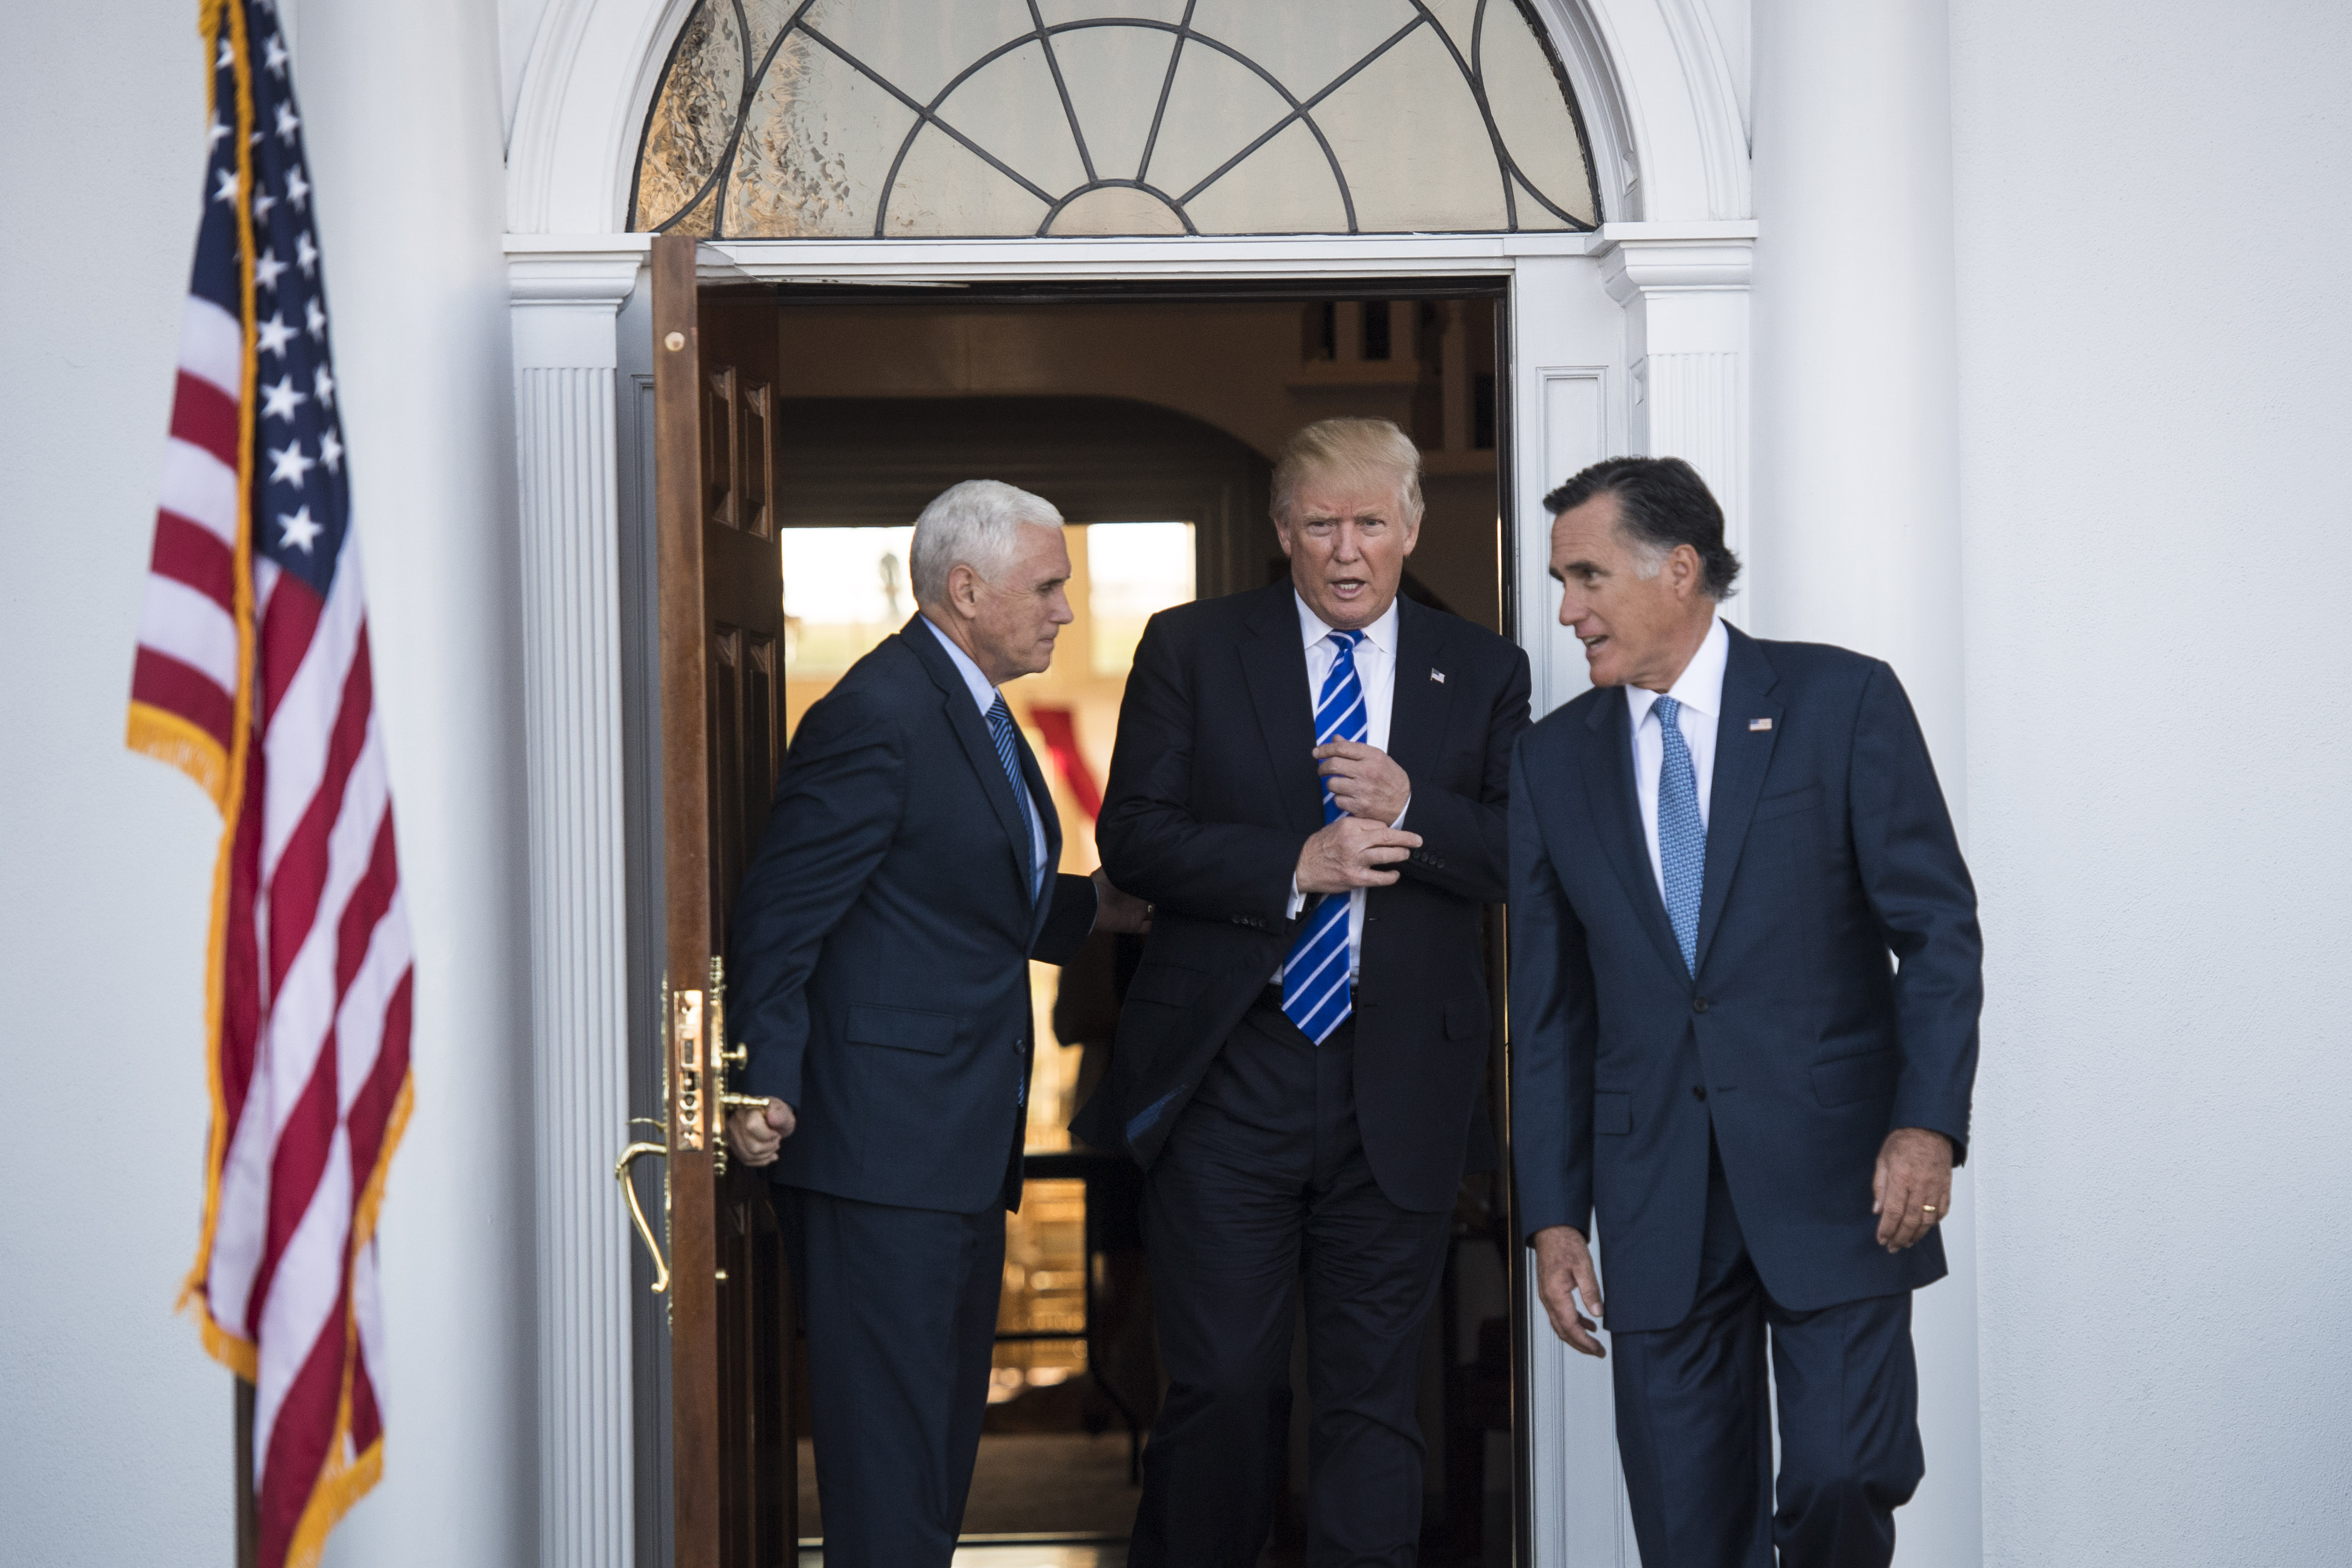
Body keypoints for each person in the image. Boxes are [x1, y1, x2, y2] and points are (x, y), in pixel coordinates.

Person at [1509, 456, 1981, 1568]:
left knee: (1842, 1471)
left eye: (1586, 576)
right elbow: (1550, 1011)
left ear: (1679, 569)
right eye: (1561, 581)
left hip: (1840, 1179)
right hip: (1655, 1194)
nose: (1567, 610)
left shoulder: (1840, 701)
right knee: (1687, 1530)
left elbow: (1937, 932)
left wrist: (1926, 1123)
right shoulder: (1549, 761)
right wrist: (1554, 1217)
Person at [1076, 418, 1532, 1564]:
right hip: (1233, 1071)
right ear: (1283, 530)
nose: (1345, 549)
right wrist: (1297, 862)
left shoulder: (1483, 668)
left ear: (1410, 528)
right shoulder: (1191, 646)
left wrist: (1410, 807)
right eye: (1321, 523)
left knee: (1372, 1400)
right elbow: (1135, 837)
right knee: (1224, 1385)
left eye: (1369, 522)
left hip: (1401, 1082)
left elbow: (1525, 854)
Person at [721, 479, 1148, 1567]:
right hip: (877, 1154)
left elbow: (962, 892)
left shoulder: (972, 708)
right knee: (890, 1478)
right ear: (965, 589)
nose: (1063, 608)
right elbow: (780, 914)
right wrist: (763, 1080)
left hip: (950, 1147)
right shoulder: (879, 713)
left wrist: (1105, 907)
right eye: (1045, 586)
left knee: (932, 1467)